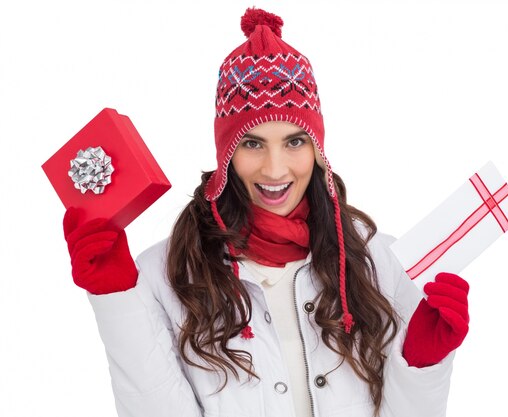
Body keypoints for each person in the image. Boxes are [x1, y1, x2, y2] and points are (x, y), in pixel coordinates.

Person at [62, 8, 470, 417]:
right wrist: (116, 300)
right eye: (252, 143)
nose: (275, 169)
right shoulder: (166, 275)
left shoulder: (378, 261)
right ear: (226, 153)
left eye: (294, 141)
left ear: (318, 149)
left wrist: (422, 364)